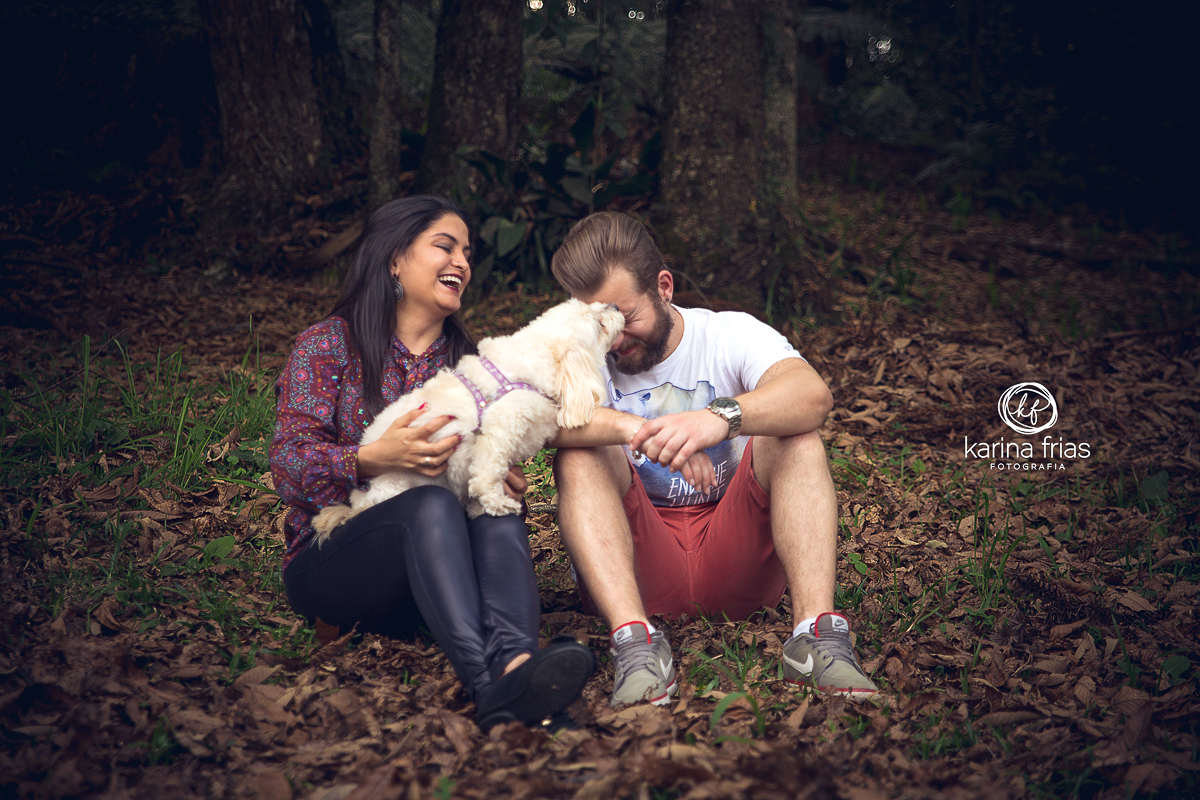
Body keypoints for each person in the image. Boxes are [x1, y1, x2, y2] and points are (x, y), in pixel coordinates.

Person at [270, 196, 594, 730]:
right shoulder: (329, 345)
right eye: (445, 246)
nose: (462, 262)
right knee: (427, 506)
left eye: (467, 252)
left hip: (444, 577)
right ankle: (490, 686)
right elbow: (287, 464)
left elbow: (494, 460)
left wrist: (490, 472)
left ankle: (518, 664)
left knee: (495, 506)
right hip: (337, 568)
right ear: (394, 258)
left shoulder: (470, 363)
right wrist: (372, 459)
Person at [548, 212, 878, 707]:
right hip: (638, 562)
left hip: (735, 558)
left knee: (796, 436)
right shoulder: (582, 351)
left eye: (624, 317)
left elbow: (813, 396)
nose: (612, 339)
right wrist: (629, 427)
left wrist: (720, 417)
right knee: (578, 454)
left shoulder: (727, 335)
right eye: (595, 323)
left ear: (663, 287)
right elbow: (535, 420)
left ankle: (815, 640)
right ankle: (636, 647)